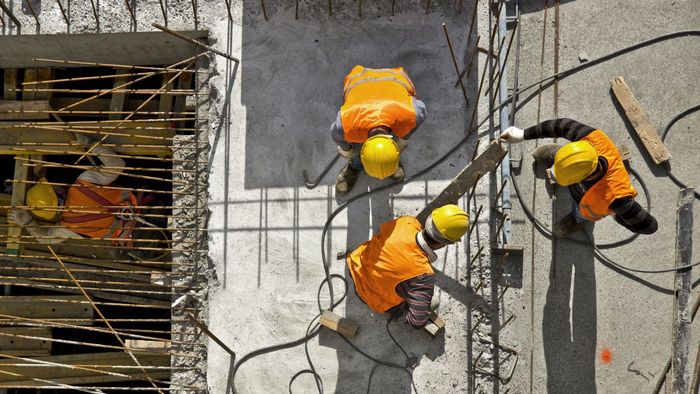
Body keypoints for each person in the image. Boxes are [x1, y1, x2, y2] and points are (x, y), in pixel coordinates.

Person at [499, 118, 658, 237]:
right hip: (577, 161)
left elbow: (650, 226)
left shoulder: (617, 198)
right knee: (566, 158)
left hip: (588, 204)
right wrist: (523, 134)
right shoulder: (593, 138)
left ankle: (576, 219)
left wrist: (615, 214)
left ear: (583, 177)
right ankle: (558, 154)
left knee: (582, 212)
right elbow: (560, 125)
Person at [8, 136, 158, 259]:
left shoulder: (68, 227)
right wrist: (90, 144)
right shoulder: (84, 183)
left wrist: (28, 222)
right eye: (53, 187)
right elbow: (118, 164)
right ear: (58, 193)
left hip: (137, 241)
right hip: (152, 212)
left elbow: (45, 237)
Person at [345, 204, 469, 329]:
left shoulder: (407, 222)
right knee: (433, 302)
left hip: (356, 265)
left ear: (429, 220)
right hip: (370, 296)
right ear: (445, 242)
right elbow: (417, 322)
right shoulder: (423, 275)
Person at [330, 65, 427, 194]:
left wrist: (403, 140)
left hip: (395, 77)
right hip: (360, 78)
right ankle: (355, 164)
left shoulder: (412, 115)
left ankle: (387, 161)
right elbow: (338, 138)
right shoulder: (345, 126)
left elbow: (420, 110)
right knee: (351, 154)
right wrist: (348, 153)